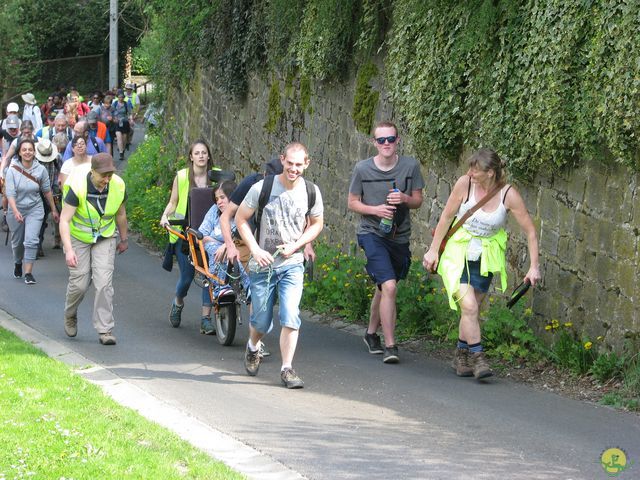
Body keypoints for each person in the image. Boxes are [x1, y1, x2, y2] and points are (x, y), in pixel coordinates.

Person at [422, 148, 541, 379]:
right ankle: (478, 358)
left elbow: (530, 232)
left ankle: (460, 354)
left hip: (485, 255)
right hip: (457, 251)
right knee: (469, 307)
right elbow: (447, 216)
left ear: (491, 173)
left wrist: (534, 266)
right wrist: (433, 250)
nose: (469, 173)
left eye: (475, 170)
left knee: (472, 309)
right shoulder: (464, 184)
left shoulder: (508, 195)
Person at [235, 142, 324, 389]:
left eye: (299, 164)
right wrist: (255, 249)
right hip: (263, 266)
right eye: (290, 163)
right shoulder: (262, 187)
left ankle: (287, 369)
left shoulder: (311, 192)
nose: (293, 169)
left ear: (307, 164)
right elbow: (240, 219)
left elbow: (317, 223)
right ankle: (253, 346)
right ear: (282, 160)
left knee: (290, 314)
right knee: (261, 322)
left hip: (292, 264)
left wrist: (297, 245)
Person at [347, 121, 424, 364]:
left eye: (391, 139)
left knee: (383, 287)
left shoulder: (410, 166)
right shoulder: (362, 169)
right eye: (381, 140)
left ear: (398, 140)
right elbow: (352, 202)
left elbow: (418, 200)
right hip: (372, 234)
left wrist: (403, 198)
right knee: (389, 286)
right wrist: (376, 210)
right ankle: (391, 345)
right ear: (374, 143)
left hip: (399, 237)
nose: (386, 144)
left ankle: (371, 334)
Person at [59, 153, 128, 345]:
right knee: (80, 284)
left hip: (105, 236)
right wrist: (69, 249)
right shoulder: (77, 186)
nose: (106, 180)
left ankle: (105, 329)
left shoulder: (119, 185)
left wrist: (124, 239)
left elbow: (121, 214)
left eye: (110, 175)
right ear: (92, 172)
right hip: (78, 236)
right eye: (103, 175)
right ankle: (70, 314)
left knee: (104, 283)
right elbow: (64, 220)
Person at [159, 140, 214, 328]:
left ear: (208, 156)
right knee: (187, 278)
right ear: (191, 157)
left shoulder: (216, 176)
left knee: (210, 276)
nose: (200, 156)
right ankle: (178, 301)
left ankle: (206, 319)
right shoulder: (182, 177)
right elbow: (173, 202)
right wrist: (165, 216)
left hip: (209, 235)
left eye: (203, 153)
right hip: (185, 235)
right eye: (196, 153)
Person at [4, 138, 59, 284]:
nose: (27, 152)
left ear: (34, 152)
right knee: (17, 242)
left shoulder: (40, 169)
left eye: (30, 149)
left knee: (31, 241)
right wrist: (15, 211)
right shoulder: (12, 169)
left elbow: (47, 191)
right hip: (16, 207)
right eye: (24, 150)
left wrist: (54, 210)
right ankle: (17, 262)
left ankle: (28, 273)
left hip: (35, 208)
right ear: (20, 153)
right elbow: (10, 193)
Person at [197, 180, 249, 335]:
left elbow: (244, 235)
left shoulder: (242, 212)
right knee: (215, 251)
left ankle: (248, 287)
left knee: (238, 255)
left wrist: (227, 244)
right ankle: (221, 287)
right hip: (214, 247)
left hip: (235, 246)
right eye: (216, 198)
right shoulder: (214, 211)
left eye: (222, 198)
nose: (218, 201)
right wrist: (218, 243)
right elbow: (203, 234)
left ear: (232, 198)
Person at [34, 139, 61, 256]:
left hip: (47, 193)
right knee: (34, 220)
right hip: (32, 193)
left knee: (42, 220)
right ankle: (34, 245)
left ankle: (38, 245)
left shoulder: (57, 158)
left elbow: (62, 172)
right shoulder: (31, 158)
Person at [111, 90, 133, 161]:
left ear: (124, 97)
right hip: (117, 123)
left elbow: (130, 113)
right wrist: (113, 119)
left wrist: (131, 119)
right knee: (119, 137)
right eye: (119, 97)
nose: (121, 98)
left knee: (124, 139)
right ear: (117, 97)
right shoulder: (114, 103)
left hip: (125, 122)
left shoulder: (126, 104)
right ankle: (121, 153)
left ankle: (122, 151)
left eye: (122, 97)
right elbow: (111, 112)